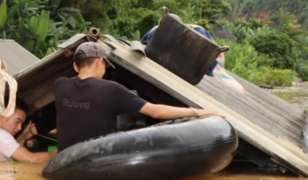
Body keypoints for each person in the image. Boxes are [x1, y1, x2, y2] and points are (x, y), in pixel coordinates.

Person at [54, 41, 226, 151]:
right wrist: (199, 112)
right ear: (100, 62)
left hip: (64, 159)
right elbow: (155, 112)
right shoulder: (111, 90)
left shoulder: (59, 85)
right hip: (91, 160)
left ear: (76, 67)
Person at [0, 99, 53, 164]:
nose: (20, 128)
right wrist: (61, 153)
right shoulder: (0, 134)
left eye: (22, 124)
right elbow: (33, 159)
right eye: (17, 122)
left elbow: (10, 149)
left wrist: (25, 136)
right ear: (5, 114)